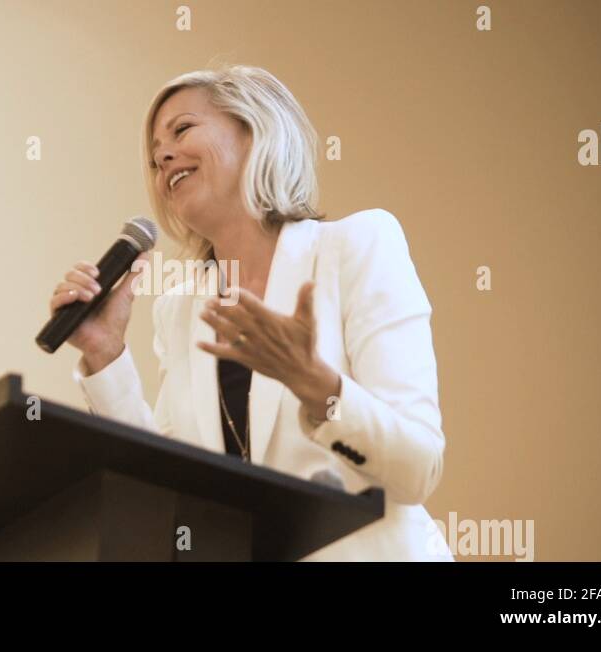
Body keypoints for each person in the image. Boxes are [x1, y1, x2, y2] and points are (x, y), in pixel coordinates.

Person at [47, 64, 452, 561]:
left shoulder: (358, 245)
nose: (163, 156)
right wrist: (106, 354)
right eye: (154, 156)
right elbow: (172, 493)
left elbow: (418, 470)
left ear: (256, 130)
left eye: (182, 129)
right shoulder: (179, 311)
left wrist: (319, 388)